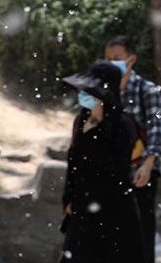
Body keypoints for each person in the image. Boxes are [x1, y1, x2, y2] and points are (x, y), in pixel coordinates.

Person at [60, 60, 145, 263]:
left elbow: (115, 169)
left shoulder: (122, 125)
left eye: (91, 91)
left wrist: (93, 134)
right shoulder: (81, 120)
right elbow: (74, 161)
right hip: (83, 204)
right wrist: (69, 196)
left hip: (114, 208)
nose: (85, 95)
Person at [104, 36, 161, 263]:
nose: (111, 63)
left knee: (142, 232)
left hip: (141, 171)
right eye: (108, 59)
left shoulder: (147, 89)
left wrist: (148, 165)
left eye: (116, 58)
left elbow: (157, 129)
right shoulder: (103, 91)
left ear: (131, 60)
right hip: (111, 173)